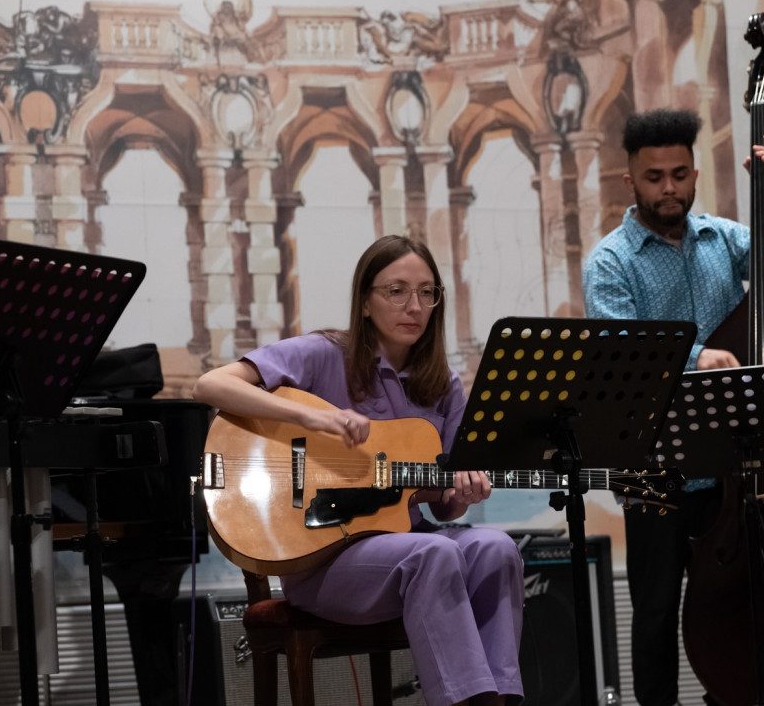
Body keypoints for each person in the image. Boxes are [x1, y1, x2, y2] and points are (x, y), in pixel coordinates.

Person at [193, 235, 524, 706]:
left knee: (495, 547)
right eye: (396, 291)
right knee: (432, 554)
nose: (414, 306)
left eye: (427, 293)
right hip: (323, 560)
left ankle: (500, 698)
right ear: (365, 302)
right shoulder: (323, 354)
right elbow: (210, 385)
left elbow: (444, 504)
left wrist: (463, 493)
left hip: (410, 544)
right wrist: (312, 417)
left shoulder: (444, 384)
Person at [581, 108, 764, 706]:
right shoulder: (611, 261)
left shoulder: (726, 237)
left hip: (730, 465)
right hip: (654, 465)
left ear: (695, 174)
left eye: (680, 175)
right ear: (629, 181)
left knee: (740, 601)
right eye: (655, 177)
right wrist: (696, 357)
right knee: (657, 610)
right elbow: (621, 347)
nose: (669, 188)